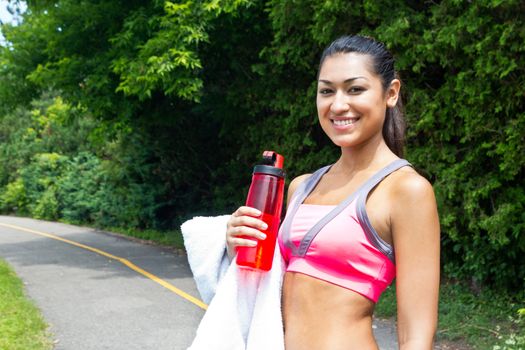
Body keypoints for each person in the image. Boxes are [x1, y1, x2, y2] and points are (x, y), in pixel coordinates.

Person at [225, 35, 440, 350]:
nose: (338, 105)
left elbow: (416, 336)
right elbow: (268, 287)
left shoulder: (406, 190)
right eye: (326, 91)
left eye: (355, 89)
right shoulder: (301, 186)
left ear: (391, 93)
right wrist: (236, 243)